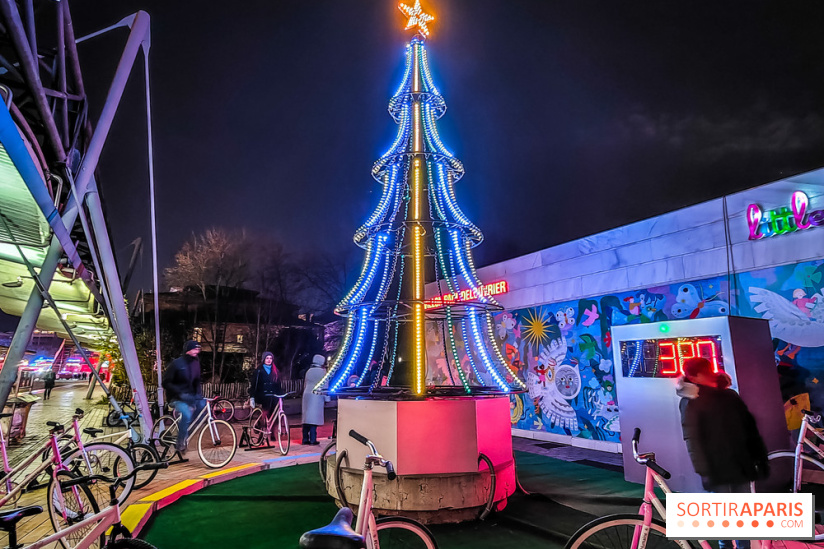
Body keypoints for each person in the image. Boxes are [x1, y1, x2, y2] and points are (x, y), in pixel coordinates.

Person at [677, 357, 769, 549]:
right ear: (693, 376)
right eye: (705, 372)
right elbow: (692, 438)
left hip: (738, 461)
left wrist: (759, 457)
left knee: (739, 510)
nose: (709, 375)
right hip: (718, 465)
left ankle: (740, 546)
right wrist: (704, 469)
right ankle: (725, 545)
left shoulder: (728, 395)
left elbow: (748, 428)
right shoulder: (691, 401)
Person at [161, 340, 204, 455]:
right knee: (186, 413)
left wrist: (198, 395)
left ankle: (186, 432)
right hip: (176, 398)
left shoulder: (196, 363)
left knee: (203, 407)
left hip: (190, 397)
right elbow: (166, 383)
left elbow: (196, 381)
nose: (196, 352)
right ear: (188, 350)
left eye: (197, 349)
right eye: (194, 349)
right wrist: (179, 393)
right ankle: (180, 442)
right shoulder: (177, 364)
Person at [302, 354, 327, 445]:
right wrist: (327, 398)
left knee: (306, 418)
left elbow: (305, 384)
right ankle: (313, 439)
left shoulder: (308, 371)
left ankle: (305, 438)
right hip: (316, 395)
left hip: (307, 394)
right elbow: (325, 385)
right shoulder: (322, 372)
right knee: (314, 419)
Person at [248, 352, 282, 419]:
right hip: (262, 395)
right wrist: (252, 397)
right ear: (264, 359)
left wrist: (281, 394)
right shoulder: (259, 371)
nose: (269, 360)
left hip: (273, 396)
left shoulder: (275, 371)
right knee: (266, 412)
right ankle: (260, 425)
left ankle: (273, 428)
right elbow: (254, 384)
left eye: (270, 358)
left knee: (274, 415)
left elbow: (278, 384)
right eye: (267, 358)